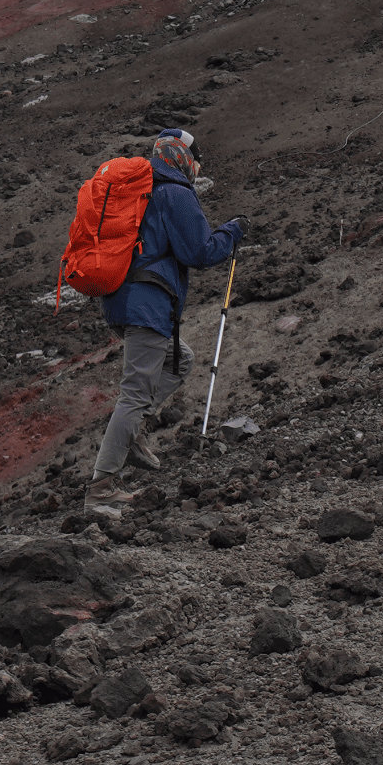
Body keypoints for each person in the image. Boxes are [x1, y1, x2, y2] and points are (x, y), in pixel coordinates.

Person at [89, 127, 243, 499]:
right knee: (135, 395)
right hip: (148, 302)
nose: (197, 167)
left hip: (127, 300)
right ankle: (102, 488)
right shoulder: (175, 193)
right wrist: (233, 232)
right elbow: (200, 252)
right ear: (182, 158)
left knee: (179, 360)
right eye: (195, 160)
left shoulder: (143, 191)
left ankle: (135, 430)